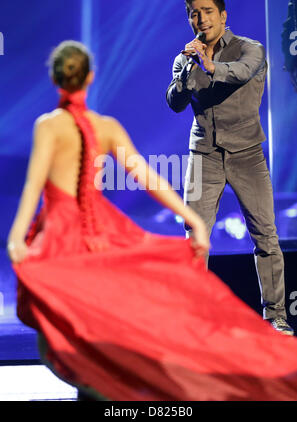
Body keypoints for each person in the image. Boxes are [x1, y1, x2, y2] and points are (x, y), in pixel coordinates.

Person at [7, 40, 297, 402]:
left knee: (56, 337)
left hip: (61, 234)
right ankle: (109, 388)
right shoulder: (106, 126)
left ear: (55, 80)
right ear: (91, 78)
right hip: (101, 231)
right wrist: (192, 217)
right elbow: (149, 179)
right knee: (96, 321)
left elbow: (34, 185)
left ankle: (104, 391)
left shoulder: (48, 126)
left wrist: (17, 238)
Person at [166, 0, 294, 336]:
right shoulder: (185, 57)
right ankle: (193, 319)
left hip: (247, 155)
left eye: (207, 11)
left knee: (265, 236)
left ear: (223, 15)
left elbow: (238, 73)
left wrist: (210, 65)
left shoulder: (250, 49)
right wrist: (186, 72)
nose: (201, 18)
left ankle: (276, 317)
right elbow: (175, 102)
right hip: (203, 155)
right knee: (195, 236)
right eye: (194, 12)